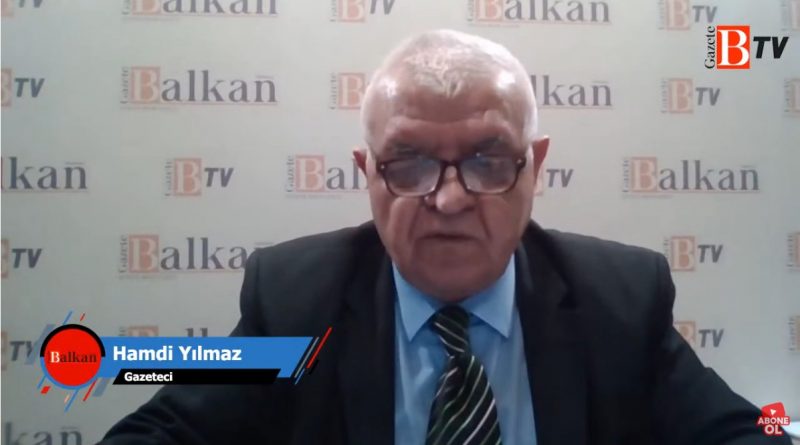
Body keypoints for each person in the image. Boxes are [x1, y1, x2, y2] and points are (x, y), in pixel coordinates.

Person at [100, 30, 789, 445]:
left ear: (535, 166)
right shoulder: (295, 301)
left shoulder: (620, 300)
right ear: (367, 172)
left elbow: (742, 429)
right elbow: (159, 431)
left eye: (488, 160)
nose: (451, 199)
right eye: (408, 163)